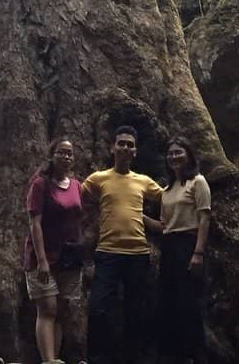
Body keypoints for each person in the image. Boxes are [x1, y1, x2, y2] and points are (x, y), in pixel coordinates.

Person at [82, 125, 163, 364]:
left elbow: (169, 198)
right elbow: (78, 199)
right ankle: (98, 358)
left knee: (136, 311)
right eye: (121, 143)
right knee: (97, 307)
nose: (125, 147)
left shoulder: (144, 181)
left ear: (135, 151)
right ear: (112, 147)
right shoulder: (99, 178)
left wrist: (155, 222)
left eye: (130, 144)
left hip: (137, 253)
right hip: (107, 253)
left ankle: (133, 357)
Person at [24, 137, 84, 364]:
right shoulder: (40, 184)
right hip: (43, 257)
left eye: (69, 153)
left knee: (61, 310)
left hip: (69, 258)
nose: (66, 157)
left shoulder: (77, 185)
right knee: (47, 308)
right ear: (52, 155)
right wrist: (41, 260)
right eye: (61, 152)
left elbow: (79, 218)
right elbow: (34, 223)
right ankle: (48, 360)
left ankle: (55, 358)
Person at [155, 136, 211, 364]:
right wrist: (133, 215)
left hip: (188, 245)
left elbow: (205, 217)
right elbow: (163, 225)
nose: (174, 157)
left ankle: (196, 354)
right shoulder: (166, 190)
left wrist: (198, 252)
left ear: (188, 155)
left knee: (189, 302)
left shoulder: (198, 182)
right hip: (169, 247)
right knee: (170, 301)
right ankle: (176, 355)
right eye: (171, 153)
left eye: (179, 152)